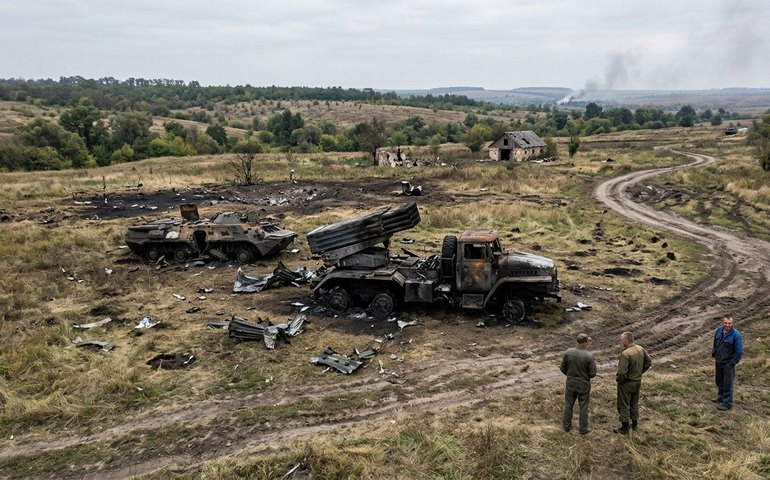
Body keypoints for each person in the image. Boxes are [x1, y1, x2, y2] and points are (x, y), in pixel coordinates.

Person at [614, 331, 652, 434]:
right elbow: (648, 362)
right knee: (634, 403)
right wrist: (640, 372)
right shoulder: (640, 349)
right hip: (637, 381)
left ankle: (624, 428)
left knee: (624, 404)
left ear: (626, 341)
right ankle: (634, 425)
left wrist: (619, 380)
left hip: (627, 383)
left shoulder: (626, 353)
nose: (621, 342)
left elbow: (622, 372)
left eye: (621, 340)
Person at [560, 333, 597, 435]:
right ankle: (583, 429)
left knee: (568, 405)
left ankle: (566, 427)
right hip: (583, 385)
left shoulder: (568, 352)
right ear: (584, 343)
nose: (588, 344)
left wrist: (571, 375)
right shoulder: (589, 356)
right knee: (583, 407)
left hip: (570, 383)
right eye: (587, 342)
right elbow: (593, 373)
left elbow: (562, 368)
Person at [712, 314, 743, 411]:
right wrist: (714, 353)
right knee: (719, 380)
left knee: (728, 383)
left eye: (729, 323)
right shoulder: (719, 331)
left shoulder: (736, 335)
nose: (727, 325)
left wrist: (732, 363)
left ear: (732, 323)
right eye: (725, 323)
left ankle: (727, 403)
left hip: (728, 363)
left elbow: (739, 351)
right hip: (719, 361)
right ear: (723, 322)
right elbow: (715, 343)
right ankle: (720, 397)